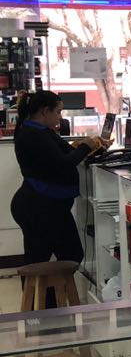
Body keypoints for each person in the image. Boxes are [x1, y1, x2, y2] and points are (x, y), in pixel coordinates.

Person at [11, 90, 105, 264]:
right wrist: (85, 147)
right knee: (49, 259)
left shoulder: (42, 131)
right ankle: (45, 283)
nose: (60, 117)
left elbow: (66, 152)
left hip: (48, 206)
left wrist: (93, 147)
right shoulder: (33, 135)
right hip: (40, 208)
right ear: (45, 111)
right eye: (58, 112)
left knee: (60, 257)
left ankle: (48, 283)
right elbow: (63, 163)